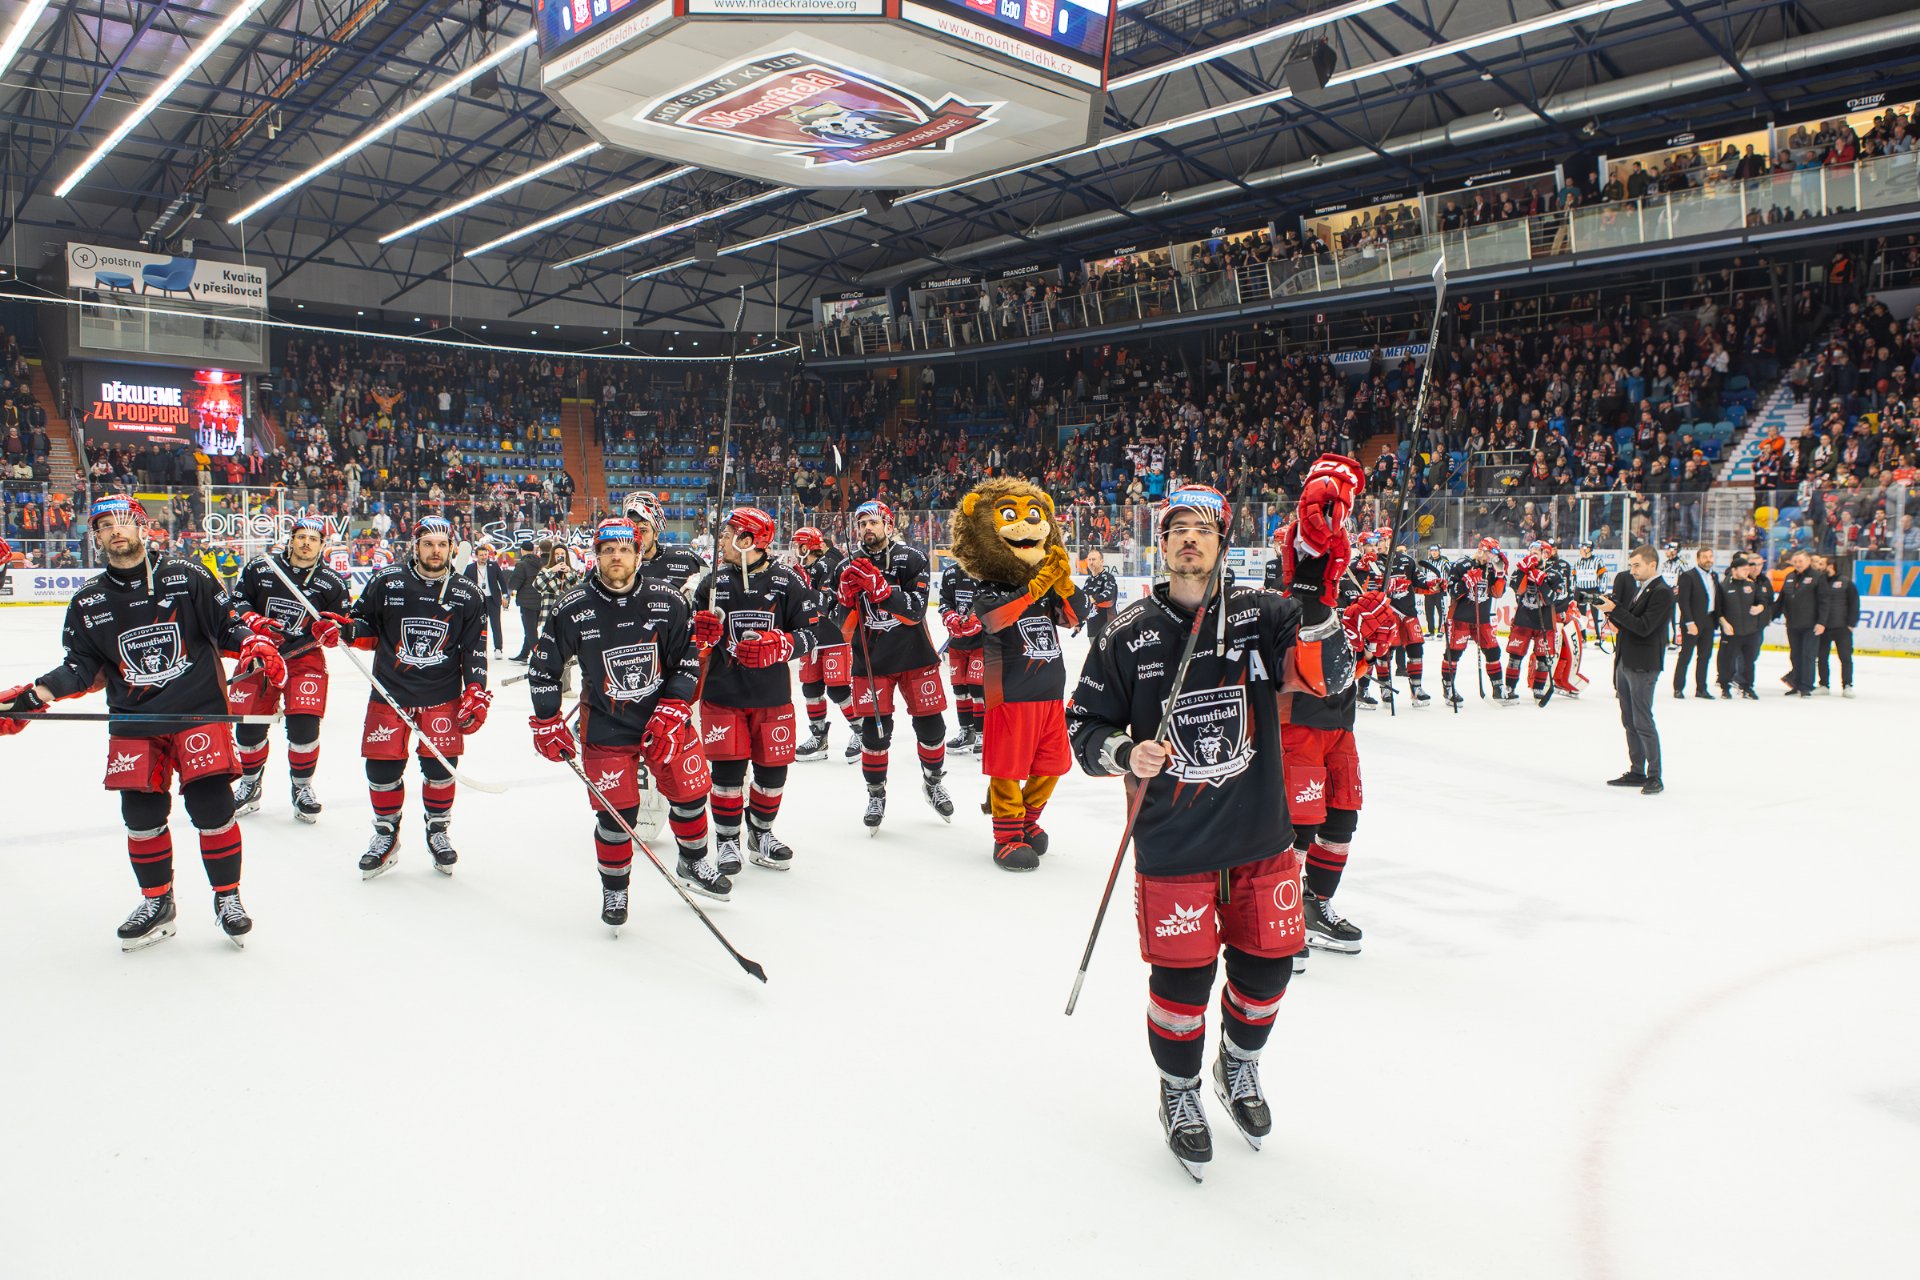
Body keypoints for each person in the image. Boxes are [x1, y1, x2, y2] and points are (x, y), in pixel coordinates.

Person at [1066, 480, 1349, 1179]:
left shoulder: (1264, 613)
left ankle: (1237, 1065)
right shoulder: (1126, 631)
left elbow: (1330, 677)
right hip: (1175, 845)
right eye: (1177, 528)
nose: (1189, 538)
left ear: (1223, 541)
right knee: (1182, 986)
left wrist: (1315, 590)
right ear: (1161, 544)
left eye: (1203, 528)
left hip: (1259, 837)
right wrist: (1123, 752)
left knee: (1268, 972)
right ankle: (1180, 1090)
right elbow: (1084, 726)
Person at [0, 497, 283, 949]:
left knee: (212, 808)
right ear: (96, 537)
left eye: (124, 522)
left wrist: (253, 643)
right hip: (135, 721)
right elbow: (81, 668)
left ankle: (227, 898)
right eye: (105, 525)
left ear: (143, 528)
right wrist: (33, 697)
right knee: (141, 817)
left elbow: (226, 624)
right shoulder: (87, 601)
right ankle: (158, 903)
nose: (116, 530)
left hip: (198, 713)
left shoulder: (186, 575)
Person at [529, 518, 726, 921]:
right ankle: (615, 891)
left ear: (638, 555)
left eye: (624, 549)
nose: (616, 557)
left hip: (664, 719)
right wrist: (548, 720)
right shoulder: (573, 606)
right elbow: (544, 669)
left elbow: (687, 660)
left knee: (690, 795)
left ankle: (693, 861)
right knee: (616, 816)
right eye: (608, 550)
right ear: (597, 556)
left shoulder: (668, 600)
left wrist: (675, 705)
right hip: (607, 724)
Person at [342, 516, 492, 878]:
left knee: (440, 770)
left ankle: (437, 830)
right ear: (416, 546)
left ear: (452, 548)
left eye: (442, 545)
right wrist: (345, 630)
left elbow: (474, 649)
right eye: (428, 544)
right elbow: (364, 625)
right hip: (389, 693)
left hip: (442, 695)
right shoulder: (387, 580)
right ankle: (386, 834)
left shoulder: (467, 593)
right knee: (381, 769)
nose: (435, 551)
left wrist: (475, 689)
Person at [691, 507, 822, 876]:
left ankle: (760, 834)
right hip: (723, 694)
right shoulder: (712, 583)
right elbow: (693, 639)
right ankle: (728, 840)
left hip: (771, 696)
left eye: (727, 533)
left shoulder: (788, 581)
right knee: (727, 774)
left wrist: (781, 645)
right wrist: (700, 634)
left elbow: (811, 634)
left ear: (747, 539)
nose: (720, 539)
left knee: (772, 773)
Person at [225, 515, 353, 821]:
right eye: (301, 537)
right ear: (291, 539)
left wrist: (334, 631)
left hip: (304, 658)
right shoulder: (262, 567)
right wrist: (253, 620)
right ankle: (250, 784)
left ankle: (302, 788)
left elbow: (344, 622)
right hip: (260, 652)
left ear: (322, 545)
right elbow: (237, 601)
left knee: (304, 727)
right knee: (249, 727)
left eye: (313, 539)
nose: (306, 543)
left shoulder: (332, 582)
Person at [838, 499, 952, 833]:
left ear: (889, 526)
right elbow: (841, 627)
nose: (867, 529)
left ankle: (933, 782)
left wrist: (881, 590)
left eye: (873, 522)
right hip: (872, 662)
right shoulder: (847, 565)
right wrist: (844, 600)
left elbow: (916, 611)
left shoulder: (912, 558)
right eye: (862, 524)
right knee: (875, 734)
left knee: (932, 728)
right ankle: (876, 794)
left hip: (915, 657)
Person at [1595, 545, 1671, 794]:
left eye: (1637, 565)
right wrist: (1610, 611)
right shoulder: (1642, 589)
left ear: (1652, 565)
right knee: (1629, 720)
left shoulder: (1662, 592)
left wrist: (1615, 610)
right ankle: (1637, 770)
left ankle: (1654, 775)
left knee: (1642, 720)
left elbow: (1644, 627)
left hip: (1643, 665)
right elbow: (1629, 624)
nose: (1632, 570)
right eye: (1631, 565)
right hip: (1626, 660)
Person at [790, 526, 859, 762]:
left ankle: (862, 731)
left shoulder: (826, 565)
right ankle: (819, 737)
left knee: (838, 689)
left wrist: (803, 590)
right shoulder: (805, 569)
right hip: (811, 637)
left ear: (807, 546)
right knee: (811, 688)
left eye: (798, 544)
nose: (795, 549)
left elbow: (827, 602)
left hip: (833, 637)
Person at [1440, 536, 1509, 707]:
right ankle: (1448, 688)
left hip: (1482, 618)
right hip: (1460, 617)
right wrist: (1466, 582)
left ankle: (1498, 686)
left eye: (1494, 555)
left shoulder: (1491, 569)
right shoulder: (1461, 565)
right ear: (1480, 549)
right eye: (1489, 554)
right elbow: (1452, 591)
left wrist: (1500, 575)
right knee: (1453, 653)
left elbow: (1498, 593)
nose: (1491, 558)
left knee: (1493, 651)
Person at [1503, 539, 1569, 706]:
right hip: (1523, 619)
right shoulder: (1521, 569)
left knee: (1543, 659)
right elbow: (1515, 588)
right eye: (1531, 551)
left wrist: (1542, 583)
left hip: (1544, 622)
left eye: (1537, 552)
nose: (1533, 554)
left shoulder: (1554, 574)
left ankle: (1538, 689)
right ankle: (1509, 689)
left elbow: (1554, 599)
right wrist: (1524, 573)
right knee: (1515, 657)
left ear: (1545, 554)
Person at [938, 556, 986, 755]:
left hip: (982, 642)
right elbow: (944, 602)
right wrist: (950, 618)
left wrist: (979, 619)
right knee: (959, 688)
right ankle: (967, 732)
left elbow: (996, 603)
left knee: (977, 688)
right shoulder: (950, 573)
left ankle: (983, 734)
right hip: (957, 642)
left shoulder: (987, 572)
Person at [1714, 553, 1771, 698]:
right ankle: (1725, 687)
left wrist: (1760, 607)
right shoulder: (1723, 586)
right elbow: (1718, 609)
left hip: (1750, 631)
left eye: (1747, 569)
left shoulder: (1751, 585)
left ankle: (1747, 687)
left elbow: (1762, 600)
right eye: (1744, 569)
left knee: (1748, 662)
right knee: (1727, 660)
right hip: (1732, 632)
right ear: (1734, 570)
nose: (1747, 572)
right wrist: (1724, 624)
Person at [625, 491, 703, 591]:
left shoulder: (687, 558)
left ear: (656, 534)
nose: (637, 537)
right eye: (632, 531)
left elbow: (710, 592)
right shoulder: (619, 564)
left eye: (643, 531)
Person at [1672, 546, 1722, 699]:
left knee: (1704, 656)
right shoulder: (1688, 576)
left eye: (1710, 557)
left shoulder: (1714, 575)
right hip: (1692, 622)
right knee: (1686, 655)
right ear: (1698, 559)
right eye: (1705, 557)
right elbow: (1683, 601)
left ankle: (1701, 688)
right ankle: (1678, 687)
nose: (1708, 560)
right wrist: (1689, 622)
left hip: (1709, 621)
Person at [1773, 549, 1822, 696]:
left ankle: (1806, 686)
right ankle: (1796, 684)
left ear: (1808, 561)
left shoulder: (1817, 577)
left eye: (1801, 561)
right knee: (1795, 655)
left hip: (1811, 625)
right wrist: (1770, 616)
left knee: (1808, 655)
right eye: (1795, 561)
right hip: (1793, 623)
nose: (1798, 564)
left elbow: (1824, 602)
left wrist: (1821, 622)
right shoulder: (1790, 576)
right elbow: (1781, 600)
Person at [1816, 553, 1859, 696]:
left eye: (1821, 564)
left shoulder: (1846, 582)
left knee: (1845, 658)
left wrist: (1851, 624)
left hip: (1842, 628)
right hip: (1823, 628)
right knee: (1822, 657)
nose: (1818, 566)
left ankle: (1847, 685)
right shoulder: (1819, 581)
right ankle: (1823, 684)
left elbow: (1854, 604)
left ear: (1830, 566)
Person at [463, 542, 507, 659]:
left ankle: (498, 648)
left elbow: (502, 581)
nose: (484, 557)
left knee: (496, 625)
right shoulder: (470, 568)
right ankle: (479, 648)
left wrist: (505, 595)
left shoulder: (494, 566)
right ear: (476, 556)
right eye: (481, 555)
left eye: (486, 554)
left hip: (493, 599)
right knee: (478, 625)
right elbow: (465, 584)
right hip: (478, 600)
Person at [506, 540, 547, 663]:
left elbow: (514, 583)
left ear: (522, 550)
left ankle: (539, 657)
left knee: (530, 631)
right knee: (531, 629)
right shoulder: (541, 563)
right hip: (540, 601)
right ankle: (524, 654)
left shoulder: (522, 564)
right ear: (533, 550)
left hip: (527, 602)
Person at [1080, 550, 1118, 647]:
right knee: (1095, 654)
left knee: (1107, 654)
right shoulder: (1088, 580)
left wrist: (1092, 599)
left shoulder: (1108, 578)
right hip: (1092, 626)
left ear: (1102, 561)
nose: (1091, 562)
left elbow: (1108, 595)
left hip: (1107, 626)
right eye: (1089, 560)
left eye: (1094, 559)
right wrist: (1079, 622)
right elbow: (1083, 600)